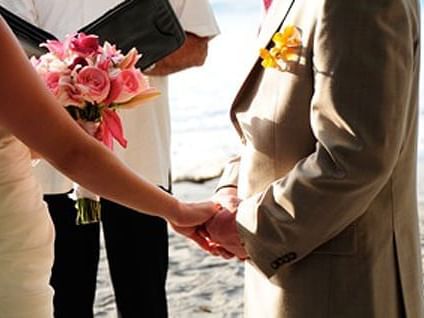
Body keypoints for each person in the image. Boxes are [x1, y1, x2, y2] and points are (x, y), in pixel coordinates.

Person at [185, 0, 424, 317]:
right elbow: (274, 111)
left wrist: (251, 227)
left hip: (339, 286)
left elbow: (355, 159)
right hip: (288, 269)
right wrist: (231, 186)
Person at [0, 0, 219, 317]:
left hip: (141, 161)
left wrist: (109, 70)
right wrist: (74, 72)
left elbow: (195, 46)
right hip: (51, 170)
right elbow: (21, 53)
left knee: (144, 296)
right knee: (66, 297)